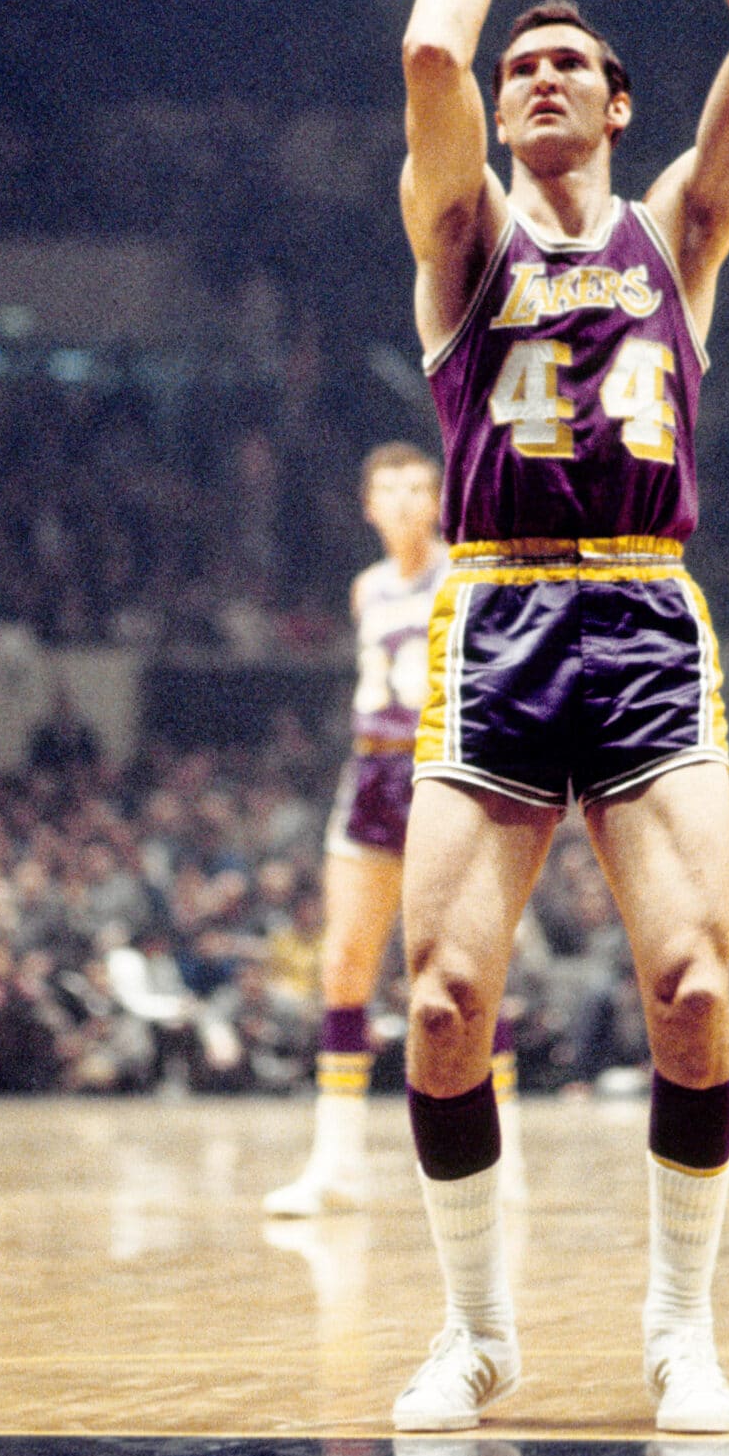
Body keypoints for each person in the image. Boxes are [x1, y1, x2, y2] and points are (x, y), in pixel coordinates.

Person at [391, 0, 729, 1435]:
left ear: (619, 104)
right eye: (526, 68)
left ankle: (674, 1330)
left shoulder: (677, 231)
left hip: (637, 610)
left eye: (569, 65)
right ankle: (475, 1332)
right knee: (441, 1007)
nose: (536, 76)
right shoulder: (464, 234)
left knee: (694, 988)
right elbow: (427, 44)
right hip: (491, 610)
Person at [263, 441, 525, 1216]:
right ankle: (337, 1164)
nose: (410, 500)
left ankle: (502, 1152)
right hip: (370, 773)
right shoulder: (366, 587)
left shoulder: (467, 571)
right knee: (344, 965)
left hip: (446, 771)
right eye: (393, 489)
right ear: (369, 505)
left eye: (422, 486)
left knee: (464, 970)